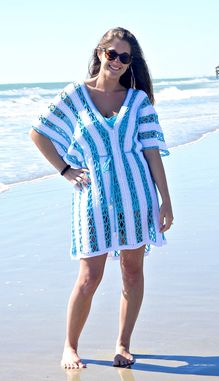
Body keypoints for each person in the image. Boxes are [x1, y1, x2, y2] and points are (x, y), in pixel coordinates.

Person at [29, 26, 173, 369]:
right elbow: (38, 133)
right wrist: (65, 171)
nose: (119, 62)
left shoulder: (138, 101)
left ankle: (123, 344)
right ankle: (70, 346)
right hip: (92, 202)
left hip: (137, 197)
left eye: (126, 57)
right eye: (113, 54)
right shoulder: (74, 96)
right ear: (99, 54)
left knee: (132, 272)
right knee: (89, 276)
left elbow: (152, 153)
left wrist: (165, 200)